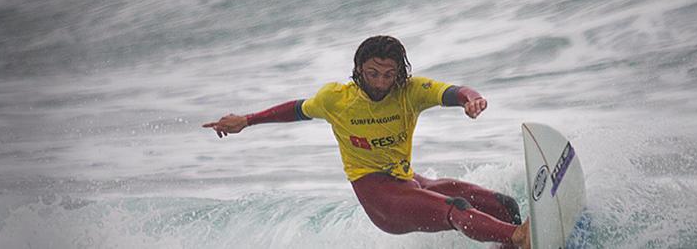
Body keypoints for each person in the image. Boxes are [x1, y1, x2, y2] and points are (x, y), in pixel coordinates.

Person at [203, 35, 530, 248]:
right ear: (359, 69)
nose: (381, 82)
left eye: (389, 75)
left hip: (408, 181)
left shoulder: (410, 91)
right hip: (382, 200)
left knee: (504, 206)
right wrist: (247, 120)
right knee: (457, 210)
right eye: (373, 73)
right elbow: (297, 109)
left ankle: (514, 242)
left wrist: (472, 100)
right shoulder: (336, 99)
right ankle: (520, 237)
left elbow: (454, 92)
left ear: (399, 73)